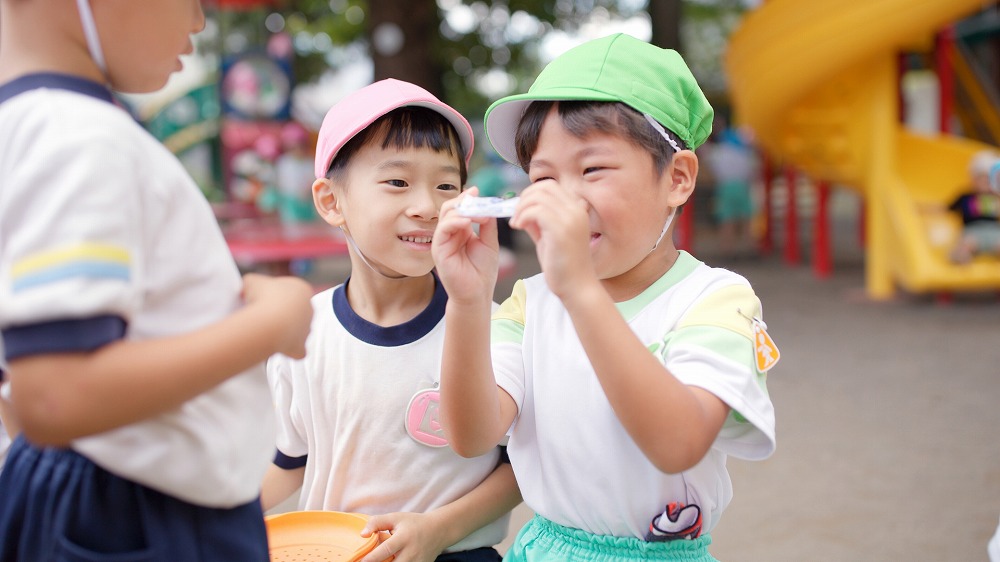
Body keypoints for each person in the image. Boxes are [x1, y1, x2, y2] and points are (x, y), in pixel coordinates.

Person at [433, 34, 778, 562]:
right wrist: (468, 301)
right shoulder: (531, 302)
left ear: (677, 179)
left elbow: (677, 444)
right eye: (544, 177)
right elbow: (473, 435)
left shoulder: (715, 300)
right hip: (544, 548)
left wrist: (577, 290)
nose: (565, 197)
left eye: (593, 169)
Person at [0, 1, 315, 561]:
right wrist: (271, 323)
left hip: (104, 491)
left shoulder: (39, 125)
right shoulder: (79, 139)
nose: (198, 22)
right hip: (139, 513)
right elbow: (53, 394)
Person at [260, 78, 521, 562]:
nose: (426, 207)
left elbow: (520, 468)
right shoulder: (302, 331)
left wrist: (436, 531)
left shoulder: (491, 326)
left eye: (446, 185)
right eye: (398, 182)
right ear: (331, 201)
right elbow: (291, 461)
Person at [703, 118, 758, 261]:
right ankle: (750, 249)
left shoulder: (718, 152)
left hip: (725, 187)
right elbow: (753, 172)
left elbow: (704, 154)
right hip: (743, 187)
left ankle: (727, 250)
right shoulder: (744, 153)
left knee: (727, 221)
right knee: (747, 221)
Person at [947, 149, 1000, 263]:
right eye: (982, 177)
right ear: (973, 179)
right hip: (973, 230)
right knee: (967, 243)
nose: (986, 181)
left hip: (995, 231)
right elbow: (947, 208)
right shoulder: (966, 196)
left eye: (989, 178)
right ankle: (960, 255)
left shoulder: (996, 197)